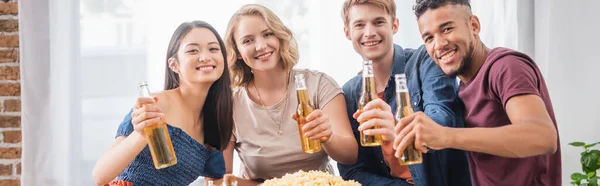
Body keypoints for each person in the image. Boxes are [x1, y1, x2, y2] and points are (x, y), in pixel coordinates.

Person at [394, 0, 561, 185]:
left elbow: (542, 136)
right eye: (429, 38)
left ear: (474, 26)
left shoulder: (505, 67)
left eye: (447, 29)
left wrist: (446, 136)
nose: (439, 45)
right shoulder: (465, 85)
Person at [220, 4, 358, 185]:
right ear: (237, 52)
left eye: (267, 34)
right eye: (248, 41)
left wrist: (327, 137)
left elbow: (350, 155)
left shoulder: (319, 85)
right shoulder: (230, 104)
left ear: (279, 37)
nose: (261, 46)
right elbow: (220, 179)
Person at [337, 0, 472, 185]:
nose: (369, 33)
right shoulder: (350, 93)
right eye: (359, 25)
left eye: (378, 22)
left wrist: (397, 129)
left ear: (395, 25)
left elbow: (443, 118)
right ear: (347, 33)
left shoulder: (425, 60)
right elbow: (353, 171)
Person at [92, 21, 234, 186]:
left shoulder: (215, 125)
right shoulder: (153, 105)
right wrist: (141, 133)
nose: (205, 57)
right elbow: (100, 176)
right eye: (193, 50)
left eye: (213, 49)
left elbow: (218, 181)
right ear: (174, 65)